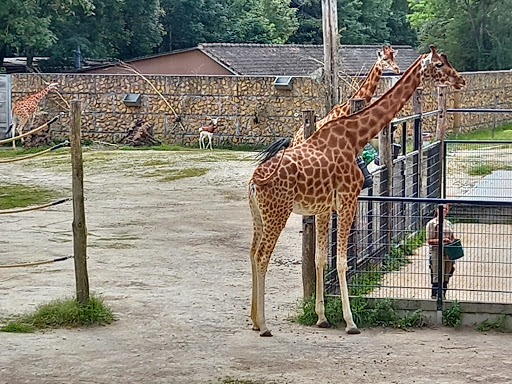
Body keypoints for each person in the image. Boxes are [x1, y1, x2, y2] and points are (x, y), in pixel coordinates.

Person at [426, 204, 457, 299]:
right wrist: (443, 240)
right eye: (442, 208)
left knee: (447, 273)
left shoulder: (449, 223)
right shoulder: (432, 224)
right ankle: (435, 295)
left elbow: (451, 237)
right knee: (437, 272)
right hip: (436, 251)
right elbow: (429, 240)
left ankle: (443, 295)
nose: (444, 210)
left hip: (448, 251)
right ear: (437, 210)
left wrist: (454, 241)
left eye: (446, 209)